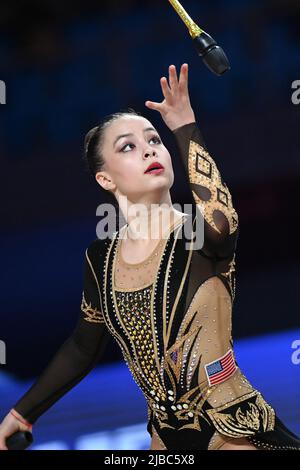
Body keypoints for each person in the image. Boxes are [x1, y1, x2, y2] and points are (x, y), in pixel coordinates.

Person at [1, 64, 299, 451]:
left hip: (234, 431)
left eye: (154, 140)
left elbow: (223, 220)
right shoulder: (100, 259)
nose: (148, 150)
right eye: (128, 146)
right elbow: (82, 346)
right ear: (105, 179)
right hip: (165, 440)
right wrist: (22, 413)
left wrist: (184, 126)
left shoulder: (199, 234)